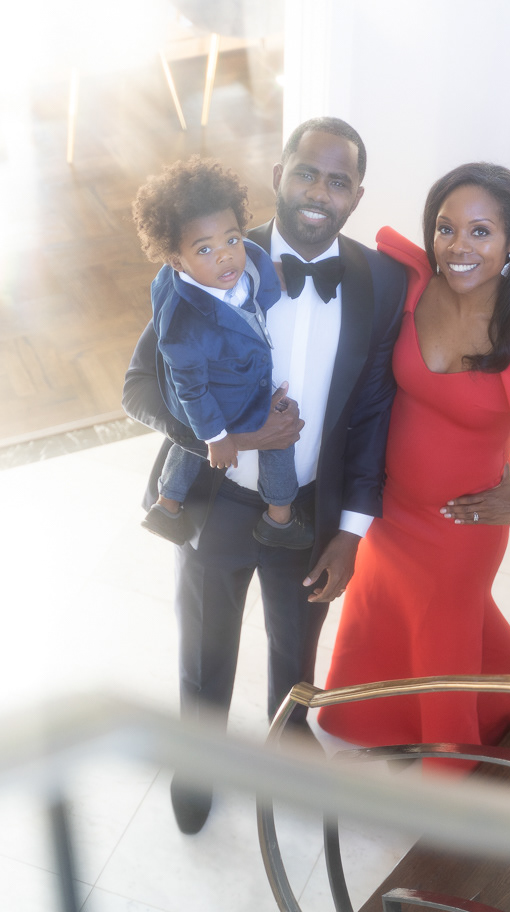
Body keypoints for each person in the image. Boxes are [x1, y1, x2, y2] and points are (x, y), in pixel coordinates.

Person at [122, 118, 407, 831]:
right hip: (218, 495)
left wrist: (351, 531)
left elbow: (374, 411)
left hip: (309, 507)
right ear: (279, 176)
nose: (319, 192)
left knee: (295, 648)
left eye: (338, 181)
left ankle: (287, 750)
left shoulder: (381, 281)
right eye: (306, 172)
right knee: (205, 646)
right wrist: (227, 440)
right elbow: (139, 388)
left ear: (356, 195)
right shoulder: (213, 254)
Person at [318, 162, 510, 771]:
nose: (458, 246)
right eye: (446, 228)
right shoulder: (412, 286)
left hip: (461, 529)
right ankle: (396, 720)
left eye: (481, 232)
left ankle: (449, 764)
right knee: (390, 610)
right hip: (389, 507)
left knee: (442, 641)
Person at [131, 155, 313, 550]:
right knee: (278, 433)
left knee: (196, 444)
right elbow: (192, 390)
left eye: (231, 239)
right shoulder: (183, 326)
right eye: (204, 249)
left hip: (227, 375)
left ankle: (167, 504)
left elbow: (259, 268)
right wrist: (217, 436)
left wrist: (279, 280)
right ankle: (280, 518)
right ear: (176, 261)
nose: (225, 255)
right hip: (211, 394)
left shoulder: (246, 259)